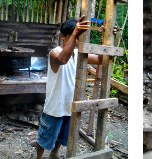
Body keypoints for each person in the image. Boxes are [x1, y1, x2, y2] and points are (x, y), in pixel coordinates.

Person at [33, 17, 102, 159]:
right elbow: (62, 60)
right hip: (55, 106)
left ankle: (54, 154)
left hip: (70, 105)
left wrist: (106, 38)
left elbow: (100, 59)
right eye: (73, 36)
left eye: (78, 37)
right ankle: (39, 157)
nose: (76, 41)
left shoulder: (78, 54)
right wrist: (76, 32)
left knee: (63, 135)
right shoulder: (55, 53)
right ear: (63, 36)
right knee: (45, 138)